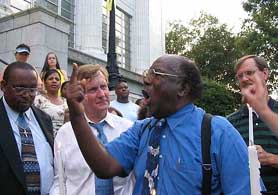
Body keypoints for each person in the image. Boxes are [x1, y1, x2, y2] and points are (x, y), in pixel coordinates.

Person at [66, 55, 252, 194]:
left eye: (155, 74)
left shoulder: (218, 133)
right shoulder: (142, 129)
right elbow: (104, 166)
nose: (145, 80)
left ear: (182, 88)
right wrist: (77, 114)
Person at [50, 64, 134, 195]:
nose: (101, 94)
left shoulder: (128, 128)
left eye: (104, 87)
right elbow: (59, 180)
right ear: (80, 95)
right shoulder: (65, 133)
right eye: (93, 90)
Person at [0, 61, 54, 194]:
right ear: (3, 86)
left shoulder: (45, 119)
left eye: (32, 89)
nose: (27, 94)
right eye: (20, 88)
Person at [227, 55, 278, 194]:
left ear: (265, 73)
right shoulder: (229, 123)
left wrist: (271, 158)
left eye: (249, 73)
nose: (244, 79)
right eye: (240, 76)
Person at [34, 69, 68, 137]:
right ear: (45, 83)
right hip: (43, 137)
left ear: (60, 83)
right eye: (50, 79)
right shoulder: (38, 100)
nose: (54, 81)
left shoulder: (67, 102)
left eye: (57, 79)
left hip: (63, 139)